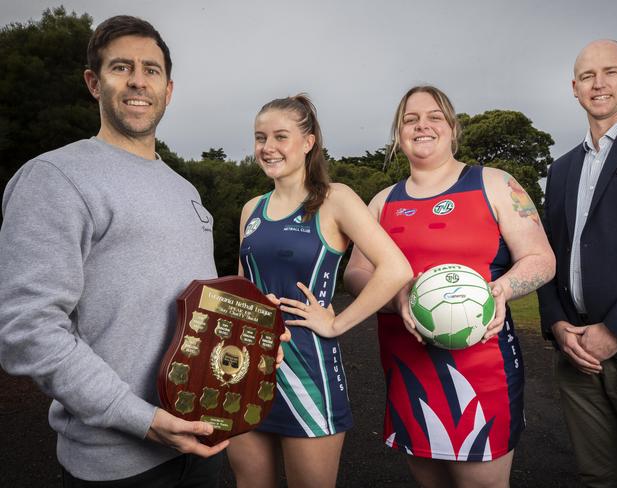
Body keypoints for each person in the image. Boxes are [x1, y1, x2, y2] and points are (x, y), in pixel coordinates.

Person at [0, 15, 279, 486]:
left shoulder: (184, 188)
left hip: (203, 443)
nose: (137, 81)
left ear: (168, 90)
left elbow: (200, 306)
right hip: (118, 461)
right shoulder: (55, 177)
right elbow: (27, 328)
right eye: (121, 67)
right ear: (94, 82)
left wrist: (251, 324)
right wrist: (141, 419)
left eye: (151, 70)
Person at [343, 85, 555, 488]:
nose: (422, 125)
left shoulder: (494, 184)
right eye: (410, 119)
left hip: (482, 369)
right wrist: (397, 296)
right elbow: (355, 274)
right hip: (409, 370)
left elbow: (542, 259)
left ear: (453, 129)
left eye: (434, 116)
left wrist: (503, 290)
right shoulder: (382, 202)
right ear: (398, 134)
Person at [226, 94, 412, 488]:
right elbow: (243, 285)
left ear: (308, 142)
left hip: (309, 374)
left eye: (281, 136)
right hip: (248, 370)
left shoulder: (335, 199)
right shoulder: (251, 209)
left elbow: (396, 268)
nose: (268, 147)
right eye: (260, 138)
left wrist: (336, 323)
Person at [537, 39, 617, 488]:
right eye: (587, 76)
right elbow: (546, 253)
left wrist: (616, 329)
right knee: (597, 477)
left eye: (610, 72)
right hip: (576, 351)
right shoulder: (562, 169)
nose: (598, 84)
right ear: (574, 87)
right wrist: (558, 325)